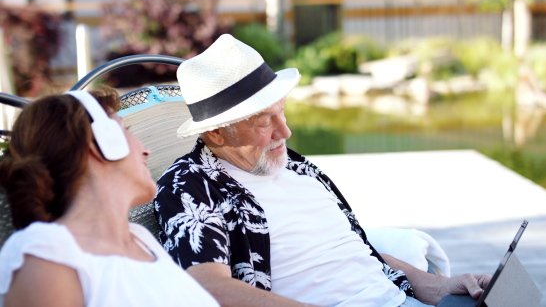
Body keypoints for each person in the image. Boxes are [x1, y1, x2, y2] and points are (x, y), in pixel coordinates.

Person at [155, 34, 491, 307]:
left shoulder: (297, 167)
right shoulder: (190, 185)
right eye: (263, 123)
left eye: (281, 113)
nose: (284, 133)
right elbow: (208, 287)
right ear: (216, 133)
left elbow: (356, 248)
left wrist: (443, 287)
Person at [0, 88, 219, 306]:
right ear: (101, 142)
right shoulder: (48, 255)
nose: (146, 150)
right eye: (126, 130)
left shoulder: (142, 240)